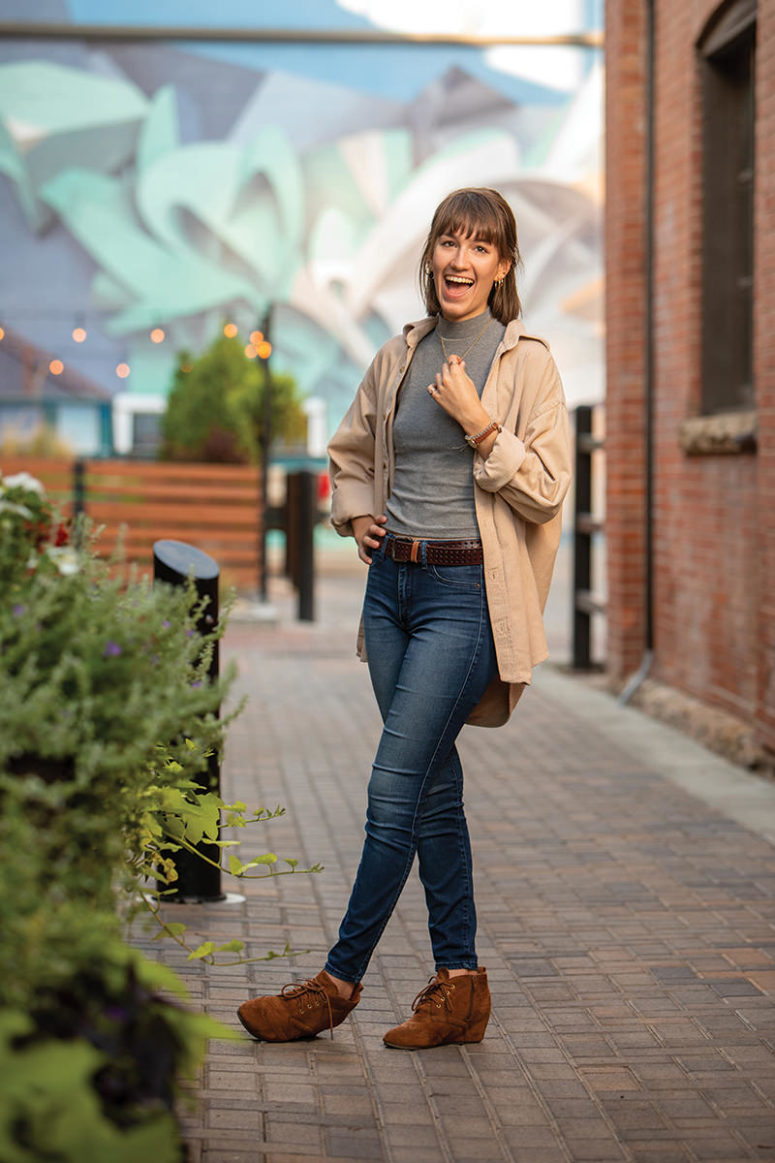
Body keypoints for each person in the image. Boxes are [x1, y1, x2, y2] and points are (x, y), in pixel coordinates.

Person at [237, 187, 571, 1050]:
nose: (460, 259)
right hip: (392, 591)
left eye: (480, 247)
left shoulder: (525, 361)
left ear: (501, 267)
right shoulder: (399, 353)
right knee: (427, 787)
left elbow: (544, 489)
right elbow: (347, 450)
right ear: (430, 257)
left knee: (393, 786)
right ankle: (459, 987)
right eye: (447, 242)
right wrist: (354, 511)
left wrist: (479, 423)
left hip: (466, 600)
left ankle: (336, 983)